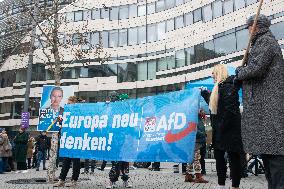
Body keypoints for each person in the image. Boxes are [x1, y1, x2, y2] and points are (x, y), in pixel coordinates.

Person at [236, 14, 284, 189]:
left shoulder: (266, 41)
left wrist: (239, 71)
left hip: (269, 110)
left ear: (255, 27)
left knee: (275, 159)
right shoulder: (261, 42)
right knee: (270, 157)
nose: (248, 32)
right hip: (265, 111)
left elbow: (256, 68)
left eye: (248, 28)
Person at [201, 64, 243, 189]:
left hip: (229, 130)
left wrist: (221, 126)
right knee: (219, 159)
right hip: (220, 129)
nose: (211, 75)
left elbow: (229, 110)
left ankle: (235, 186)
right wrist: (204, 93)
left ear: (218, 73)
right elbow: (215, 104)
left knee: (233, 158)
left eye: (213, 72)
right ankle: (221, 185)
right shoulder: (219, 87)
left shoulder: (229, 86)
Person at [54, 96, 81, 187]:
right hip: (67, 140)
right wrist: (60, 121)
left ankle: (74, 180)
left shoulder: (79, 112)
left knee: (76, 161)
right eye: (67, 104)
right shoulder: (66, 113)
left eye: (69, 103)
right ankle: (61, 180)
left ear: (74, 103)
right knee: (66, 161)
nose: (68, 105)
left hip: (76, 140)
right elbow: (63, 125)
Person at [184, 109, 208, 183]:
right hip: (196, 140)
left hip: (195, 140)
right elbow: (194, 129)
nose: (204, 112)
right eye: (202, 111)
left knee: (191, 159)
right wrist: (203, 134)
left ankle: (188, 175)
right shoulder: (194, 118)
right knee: (197, 158)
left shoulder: (198, 118)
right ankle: (198, 176)